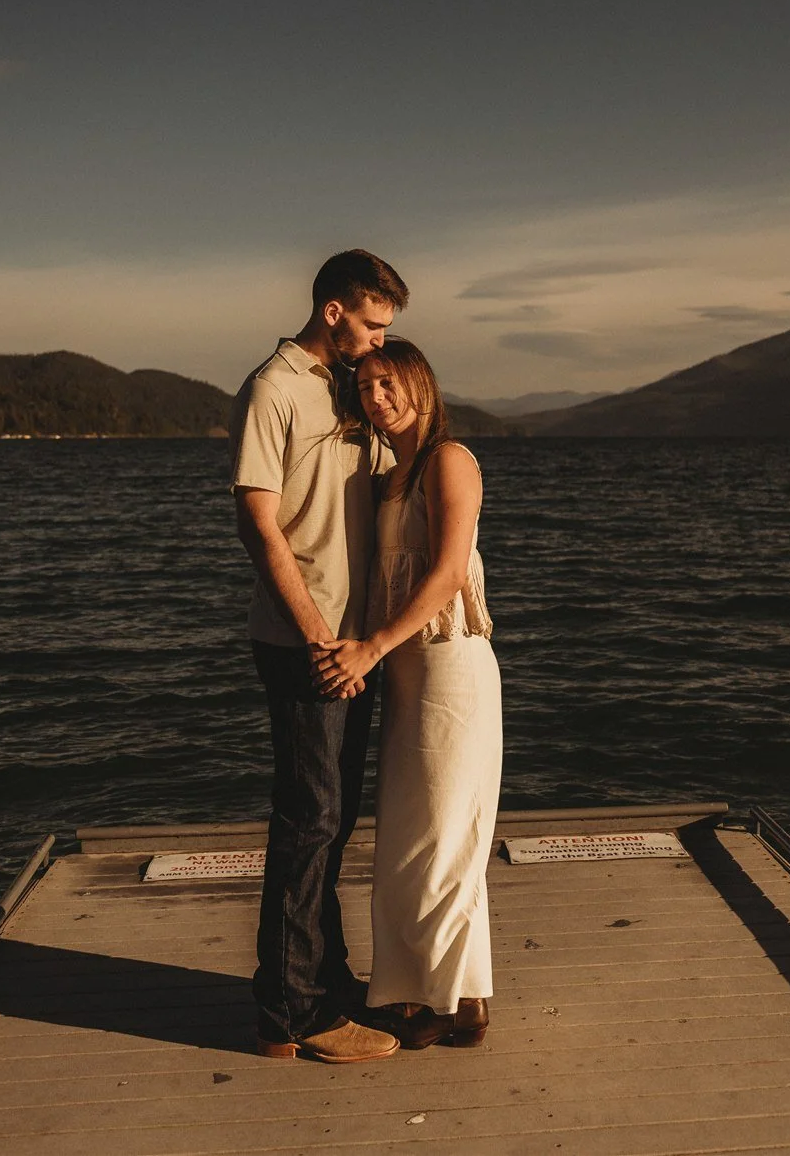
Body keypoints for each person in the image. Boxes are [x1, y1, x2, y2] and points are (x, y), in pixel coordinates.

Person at [232, 249, 409, 1063]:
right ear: (334, 310)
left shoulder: (346, 390)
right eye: (373, 323)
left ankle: (321, 981)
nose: (380, 341)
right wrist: (319, 640)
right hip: (309, 646)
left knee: (329, 828)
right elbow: (259, 526)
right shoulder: (273, 389)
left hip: (354, 645)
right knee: (310, 823)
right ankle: (291, 1014)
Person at [314, 338, 502, 1049]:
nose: (375, 396)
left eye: (386, 382)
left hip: (451, 666)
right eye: (363, 387)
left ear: (420, 382)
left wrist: (371, 645)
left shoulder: (448, 461)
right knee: (407, 839)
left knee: (446, 834)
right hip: (406, 673)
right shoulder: (388, 476)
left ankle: (448, 1001)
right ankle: (446, 994)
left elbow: (449, 572)